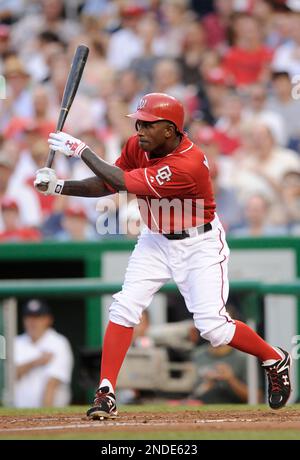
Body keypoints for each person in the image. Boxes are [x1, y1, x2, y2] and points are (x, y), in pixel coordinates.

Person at [34, 92, 292, 420]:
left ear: (169, 130)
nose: (139, 129)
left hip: (199, 244)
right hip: (155, 239)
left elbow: (122, 182)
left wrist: (80, 150)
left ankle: (274, 358)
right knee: (125, 306)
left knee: (214, 328)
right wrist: (58, 187)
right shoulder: (138, 145)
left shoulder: (187, 163)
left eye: (148, 124)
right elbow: (106, 184)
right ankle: (106, 391)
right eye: (138, 123)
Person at [14, 299, 74, 407]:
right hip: (18, 415)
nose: (32, 322)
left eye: (37, 317)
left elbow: (52, 384)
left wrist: (44, 417)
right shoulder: (15, 342)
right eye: (29, 317)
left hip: (52, 413)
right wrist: (35, 362)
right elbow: (8, 377)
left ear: (48, 319)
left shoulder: (59, 342)